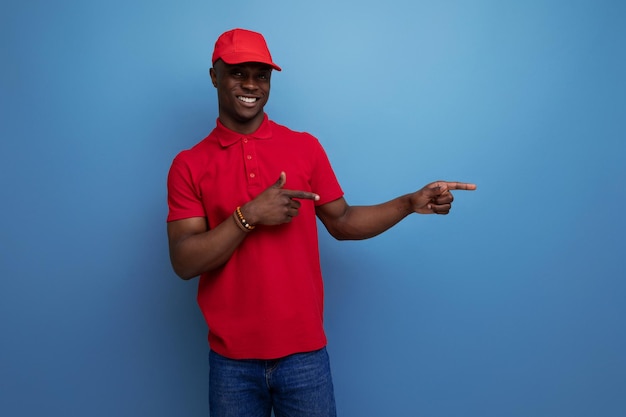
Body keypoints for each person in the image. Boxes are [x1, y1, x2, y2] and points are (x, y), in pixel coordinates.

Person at [167, 28, 476, 417]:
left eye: (261, 75)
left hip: (305, 356)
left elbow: (343, 221)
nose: (250, 85)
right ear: (215, 76)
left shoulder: (304, 147)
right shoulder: (189, 164)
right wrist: (249, 216)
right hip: (232, 362)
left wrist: (409, 203)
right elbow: (184, 260)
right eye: (237, 73)